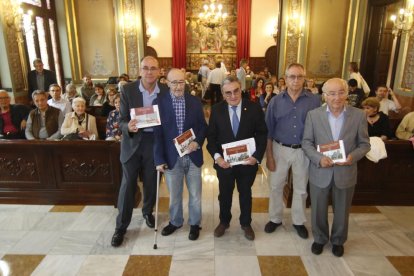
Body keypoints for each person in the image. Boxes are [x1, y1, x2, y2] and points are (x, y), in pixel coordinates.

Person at [302, 78, 370, 257]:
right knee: (318, 209)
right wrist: (318, 158)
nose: (336, 97)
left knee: (342, 210)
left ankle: (338, 240)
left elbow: (364, 145)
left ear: (347, 94)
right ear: (324, 96)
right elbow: (307, 143)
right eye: (331, 93)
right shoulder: (313, 115)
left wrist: (352, 157)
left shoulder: (358, 115)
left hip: (345, 172)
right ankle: (319, 239)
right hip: (320, 171)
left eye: (341, 92)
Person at [111, 56, 169, 247]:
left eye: (153, 68)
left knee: (152, 183)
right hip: (133, 142)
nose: (150, 72)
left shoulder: (166, 91)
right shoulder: (128, 90)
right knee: (128, 185)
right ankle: (121, 226)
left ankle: (147, 212)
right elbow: (121, 120)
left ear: (160, 71)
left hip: (154, 142)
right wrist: (129, 126)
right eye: (146, 68)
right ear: (140, 70)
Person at [207, 76, 267, 241]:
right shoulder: (217, 110)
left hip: (247, 164)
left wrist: (256, 157)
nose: (233, 96)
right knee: (224, 194)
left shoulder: (253, 108)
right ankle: (224, 222)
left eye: (236, 91)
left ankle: (246, 223)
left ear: (241, 89)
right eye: (228, 93)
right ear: (222, 94)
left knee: (245, 193)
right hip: (224, 164)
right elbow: (211, 138)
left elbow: (262, 134)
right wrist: (218, 158)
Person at [264, 63, 320, 239]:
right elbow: (268, 131)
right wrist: (270, 156)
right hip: (279, 148)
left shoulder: (314, 101)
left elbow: (319, 128)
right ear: (285, 78)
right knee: (275, 186)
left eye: (299, 77)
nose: (295, 80)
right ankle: (275, 218)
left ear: (304, 79)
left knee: (301, 188)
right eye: (292, 76)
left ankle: (298, 221)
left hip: (303, 150)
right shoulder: (275, 101)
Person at [154, 68, 207, 240]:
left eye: (181, 81)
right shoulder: (159, 102)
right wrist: (159, 159)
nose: (178, 86)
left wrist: (197, 141)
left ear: (186, 82)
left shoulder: (195, 101)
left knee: (195, 195)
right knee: (174, 195)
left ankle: (194, 223)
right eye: (174, 82)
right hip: (171, 157)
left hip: (192, 155)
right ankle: (175, 222)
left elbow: (202, 127)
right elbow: (157, 133)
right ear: (167, 83)